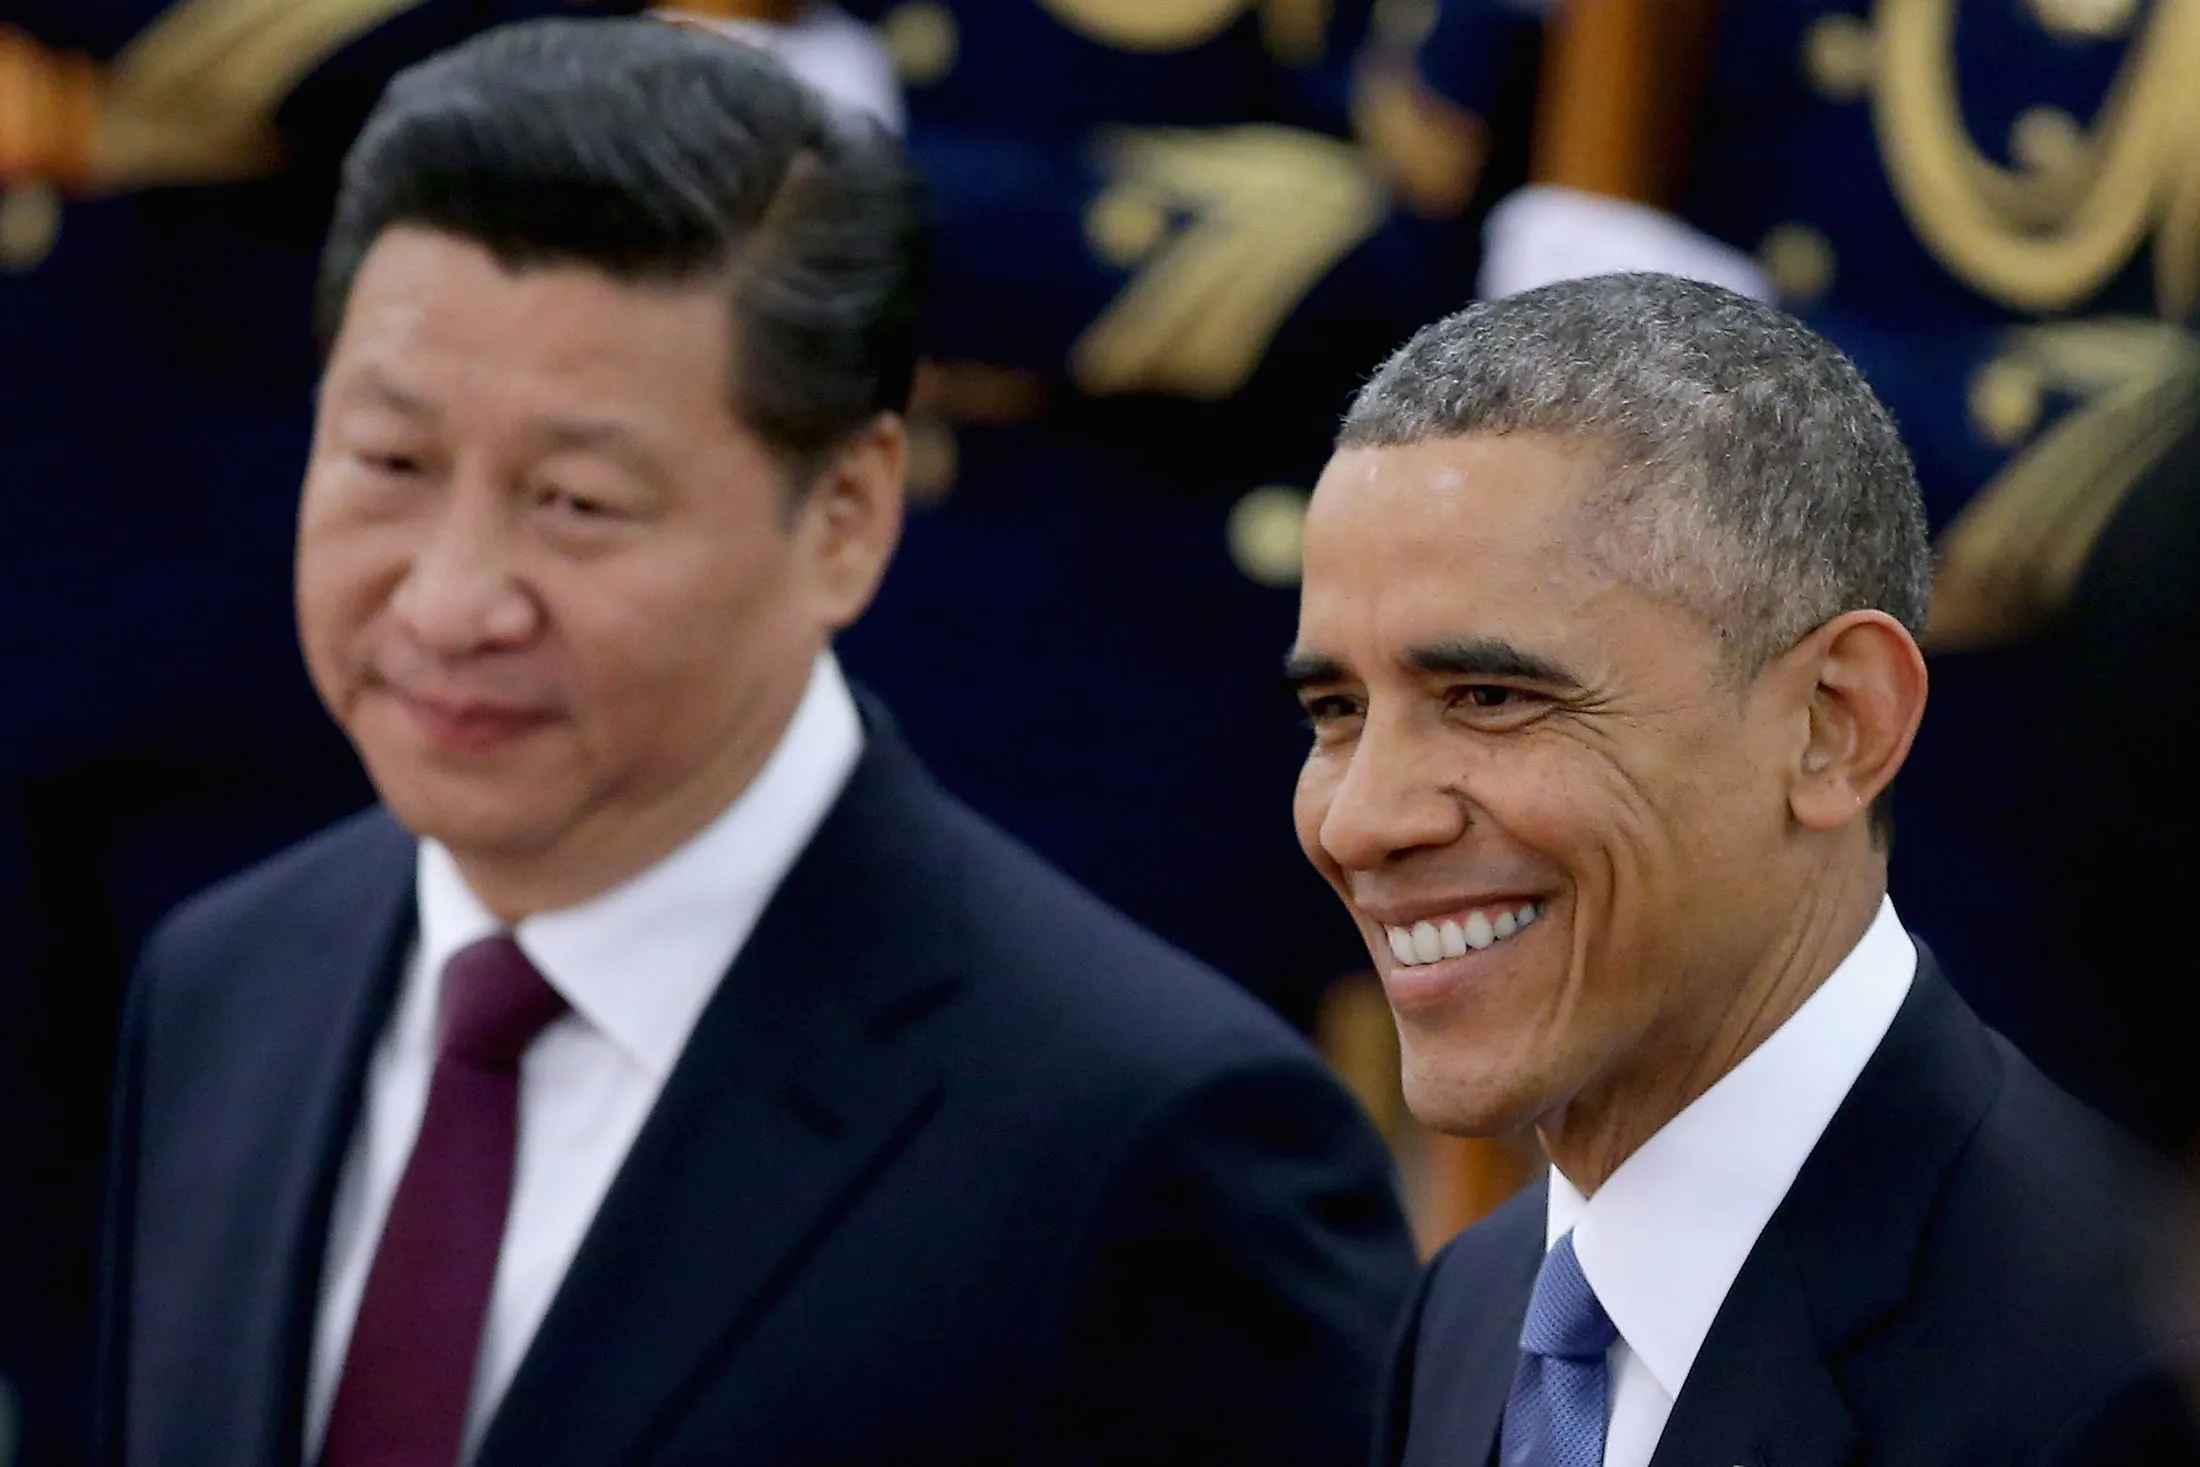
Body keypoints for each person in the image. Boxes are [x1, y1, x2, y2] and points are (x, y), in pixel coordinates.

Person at [94, 20, 1419, 1467]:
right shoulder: (223, 984)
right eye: (391, 464)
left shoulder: (1146, 1146)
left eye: (579, 501)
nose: (453, 597)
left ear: (846, 514)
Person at [1284, 273, 2200, 1467]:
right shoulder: (1473, 1305)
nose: (1360, 822)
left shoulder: (2112, 1377)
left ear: (1835, 725)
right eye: (1337, 710)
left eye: (1491, 697)